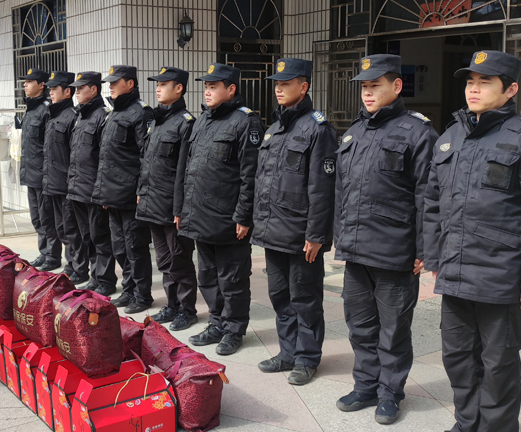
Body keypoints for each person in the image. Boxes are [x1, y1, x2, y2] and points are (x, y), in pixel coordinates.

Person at [424, 50, 521, 432]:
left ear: (510, 89)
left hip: (502, 277)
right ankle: (466, 423)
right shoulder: (451, 136)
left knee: (498, 366)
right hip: (456, 273)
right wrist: (433, 257)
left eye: (485, 82)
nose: (473, 89)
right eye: (470, 81)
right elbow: (432, 204)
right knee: (457, 358)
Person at [333, 54, 438, 424]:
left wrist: (425, 249)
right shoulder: (354, 131)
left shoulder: (418, 132)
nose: (367, 93)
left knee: (393, 330)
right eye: (364, 86)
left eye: (375, 85)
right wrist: (339, 237)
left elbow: (429, 195)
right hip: (356, 250)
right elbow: (341, 192)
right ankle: (365, 386)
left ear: (396, 86)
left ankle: (390, 393)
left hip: (395, 252)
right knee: (360, 326)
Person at [252, 58, 337, 385]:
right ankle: (287, 352)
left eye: (285, 84)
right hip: (273, 231)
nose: (278, 89)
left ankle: (307, 358)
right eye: (277, 83)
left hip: (302, 235)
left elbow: (322, 188)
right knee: (280, 296)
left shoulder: (318, 129)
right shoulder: (274, 128)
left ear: (304, 87)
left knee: (305, 299)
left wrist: (316, 235)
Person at [177, 63, 263, 356]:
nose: (207, 92)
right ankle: (216, 323)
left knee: (233, 280)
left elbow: (250, 175)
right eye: (206, 87)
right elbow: (190, 169)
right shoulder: (202, 120)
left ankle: (234, 330)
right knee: (208, 277)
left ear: (231, 89)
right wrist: (184, 209)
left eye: (213, 87)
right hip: (201, 216)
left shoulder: (246, 122)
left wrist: (244, 215)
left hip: (228, 219)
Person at [137, 66, 199, 330]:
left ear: (179, 88)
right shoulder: (156, 121)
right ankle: (171, 304)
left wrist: (180, 208)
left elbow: (185, 171)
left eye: (164, 84)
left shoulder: (186, 123)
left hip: (172, 206)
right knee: (163, 260)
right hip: (152, 202)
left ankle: (187, 309)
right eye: (157, 84)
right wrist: (141, 192)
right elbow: (146, 162)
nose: (158, 88)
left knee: (179, 258)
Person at [93, 65, 155, 313]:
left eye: (115, 82)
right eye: (109, 82)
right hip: (112, 195)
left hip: (130, 195)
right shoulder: (113, 113)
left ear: (130, 84)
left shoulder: (140, 113)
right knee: (119, 247)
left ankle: (142, 295)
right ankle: (129, 290)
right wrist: (103, 192)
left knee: (135, 247)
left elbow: (146, 157)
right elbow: (106, 157)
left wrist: (141, 190)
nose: (110, 86)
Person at [67, 72, 118, 294]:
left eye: (81, 88)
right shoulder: (81, 115)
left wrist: (101, 190)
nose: (76, 92)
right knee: (86, 236)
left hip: (93, 191)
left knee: (100, 237)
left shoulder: (102, 116)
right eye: (76, 89)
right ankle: (96, 277)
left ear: (94, 89)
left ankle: (105, 280)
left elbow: (104, 158)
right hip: (77, 188)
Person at [41, 71, 89, 285]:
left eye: (54, 89)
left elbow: (74, 153)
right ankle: (71, 265)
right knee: (61, 228)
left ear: (67, 91)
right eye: (50, 89)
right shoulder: (53, 115)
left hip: (67, 184)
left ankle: (79, 268)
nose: (50, 92)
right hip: (53, 183)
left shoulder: (72, 116)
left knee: (73, 229)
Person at [19, 68, 63, 271]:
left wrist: (47, 174)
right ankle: (44, 252)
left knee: (47, 218)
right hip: (30, 172)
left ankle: (52, 256)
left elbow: (49, 146)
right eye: (25, 82)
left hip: (43, 174)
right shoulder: (30, 109)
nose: (25, 85)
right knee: (37, 218)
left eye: (29, 81)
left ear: (41, 85)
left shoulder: (46, 109)